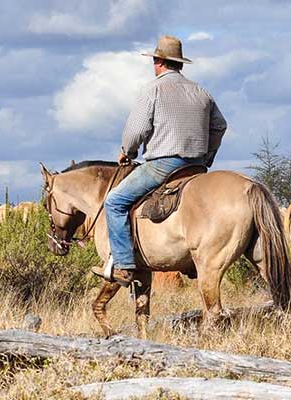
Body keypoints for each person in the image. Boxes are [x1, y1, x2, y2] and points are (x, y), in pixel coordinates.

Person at [93, 35, 227, 286]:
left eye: (154, 60)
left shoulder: (153, 89)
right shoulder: (201, 92)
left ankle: (123, 264)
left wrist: (127, 152)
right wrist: (207, 157)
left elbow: (136, 131)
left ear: (158, 61)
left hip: (163, 165)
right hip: (196, 167)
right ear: (180, 64)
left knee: (114, 201)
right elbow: (219, 126)